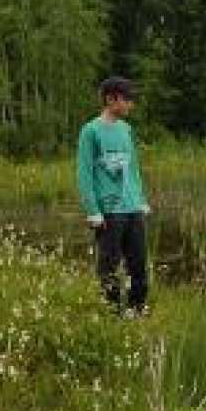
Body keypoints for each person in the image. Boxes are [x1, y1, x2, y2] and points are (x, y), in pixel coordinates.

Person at [77, 76, 151, 317]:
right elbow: (85, 173)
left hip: (133, 209)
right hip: (109, 212)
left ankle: (137, 311)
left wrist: (140, 200)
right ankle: (112, 315)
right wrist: (93, 211)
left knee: (138, 264)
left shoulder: (126, 129)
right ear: (111, 99)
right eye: (127, 99)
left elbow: (133, 168)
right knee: (108, 268)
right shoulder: (91, 131)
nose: (131, 104)